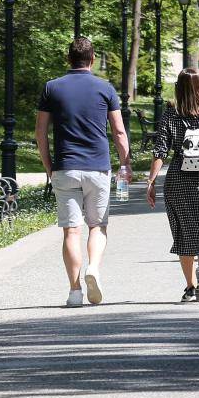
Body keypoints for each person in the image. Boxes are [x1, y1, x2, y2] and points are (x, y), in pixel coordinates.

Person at [35, 37, 132, 307]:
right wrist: (125, 164)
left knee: (71, 232)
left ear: (69, 59)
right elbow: (119, 131)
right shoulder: (105, 88)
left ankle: (75, 291)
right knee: (97, 226)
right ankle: (94, 269)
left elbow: (40, 132)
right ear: (92, 59)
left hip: (65, 167)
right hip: (98, 168)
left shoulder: (51, 88)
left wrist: (48, 166)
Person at [147, 68, 199, 302]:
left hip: (178, 179)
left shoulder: (170, 115)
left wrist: (151, 181)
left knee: (184, 233)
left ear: (178, 87)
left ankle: (190, 287)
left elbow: (160, 151)